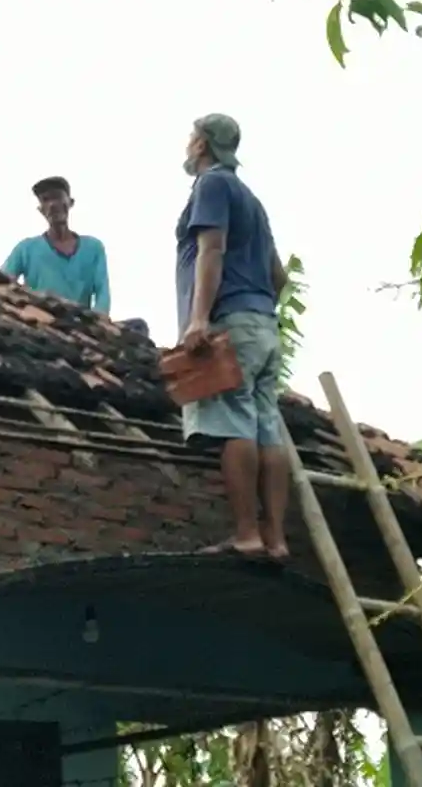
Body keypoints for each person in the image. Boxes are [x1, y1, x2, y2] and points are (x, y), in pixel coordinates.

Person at [175, 114, 290, 560]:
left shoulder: (212, 186)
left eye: (191, 137)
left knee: (234, 421)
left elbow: (212, 248)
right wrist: (259, 312)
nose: (187, 144)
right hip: (263, 323)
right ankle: (276, 538)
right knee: (267, 429)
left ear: (202, 144)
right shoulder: (252, 200)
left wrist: (199, 318)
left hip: (232, 320)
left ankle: (247, 534)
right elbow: (278, 276)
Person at [1, 176, 111, 315]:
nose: (52, 204)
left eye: (57, 197)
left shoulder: (93, 248)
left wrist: (99, 322)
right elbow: (3, 282)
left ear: (70, 203)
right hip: (40, 320)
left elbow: (103, 294)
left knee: (137, 326)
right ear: (41, 209)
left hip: (80, 323)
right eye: (45, 200)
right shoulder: (26, 249)